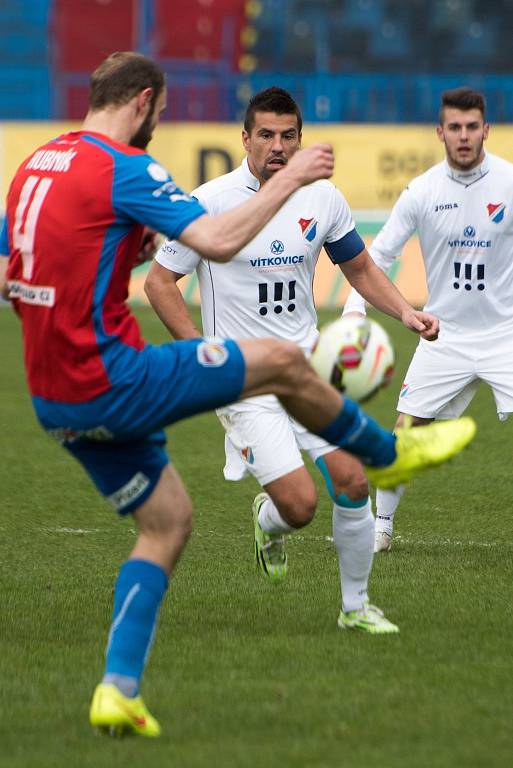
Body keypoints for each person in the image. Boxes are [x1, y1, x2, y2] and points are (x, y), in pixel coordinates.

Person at [0, 53, 474, 739]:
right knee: (283, 361)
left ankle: (117, 689)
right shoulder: (126, 167)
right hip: (110, 377)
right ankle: (390, 453)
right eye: (157, 117)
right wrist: (295, 180)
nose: (155, 130)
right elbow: (215, 242)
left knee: (167, 524)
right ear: (141, 101)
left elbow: (18, 284)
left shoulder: (37, 167)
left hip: (53, 399)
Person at [145, 88, 461, 635]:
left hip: (307, 370)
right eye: (265, 135)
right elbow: (159, 282)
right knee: (300, 506)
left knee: (354, 481)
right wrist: (204, 353)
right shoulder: (210, 202)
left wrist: (407, 314)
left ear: (300, 139)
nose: (278, 146)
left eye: (288, 135)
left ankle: (356, 608)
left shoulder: (322, 198)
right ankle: (269, 524)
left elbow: (358, 268)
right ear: (244, 138)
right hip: (242, 377)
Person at [343, 85, 512, 553]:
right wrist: (355, 313)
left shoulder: (509, 182)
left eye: (472, 127)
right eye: (454, 127)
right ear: (440, 131)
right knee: (405, 431)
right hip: (445, 335)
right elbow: (376, 255)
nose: (463, 136)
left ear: (486, 130)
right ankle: (382, 529)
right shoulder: (422, 192)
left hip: (505, 334)